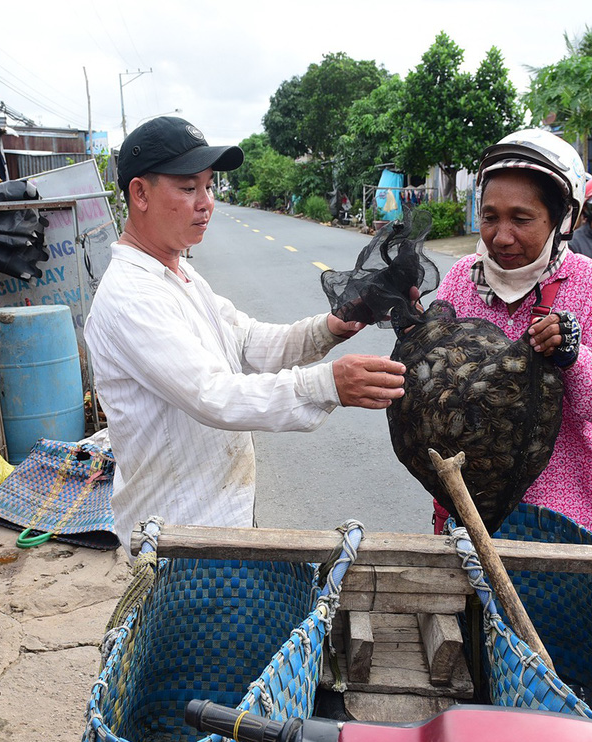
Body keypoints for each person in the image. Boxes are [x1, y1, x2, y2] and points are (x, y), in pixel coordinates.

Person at [85, 116, 406, 555]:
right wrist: (327, 384)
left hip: (217, 521)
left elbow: (248, 343)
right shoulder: (131, 296)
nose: (206, 203)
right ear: (139, 193)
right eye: (188, 188)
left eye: (210, 186)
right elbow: (212, 394)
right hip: (178, 538)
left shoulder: (179, 275)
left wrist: (333, 327)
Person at [435, 129, 592, 545]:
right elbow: (438, 382)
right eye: (490, 216)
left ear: (564, 220)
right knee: (475, 610)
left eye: (522, 218)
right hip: (473, 506)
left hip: (569, 513)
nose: (501, 236)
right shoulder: (462, 279)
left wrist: (573, 355)